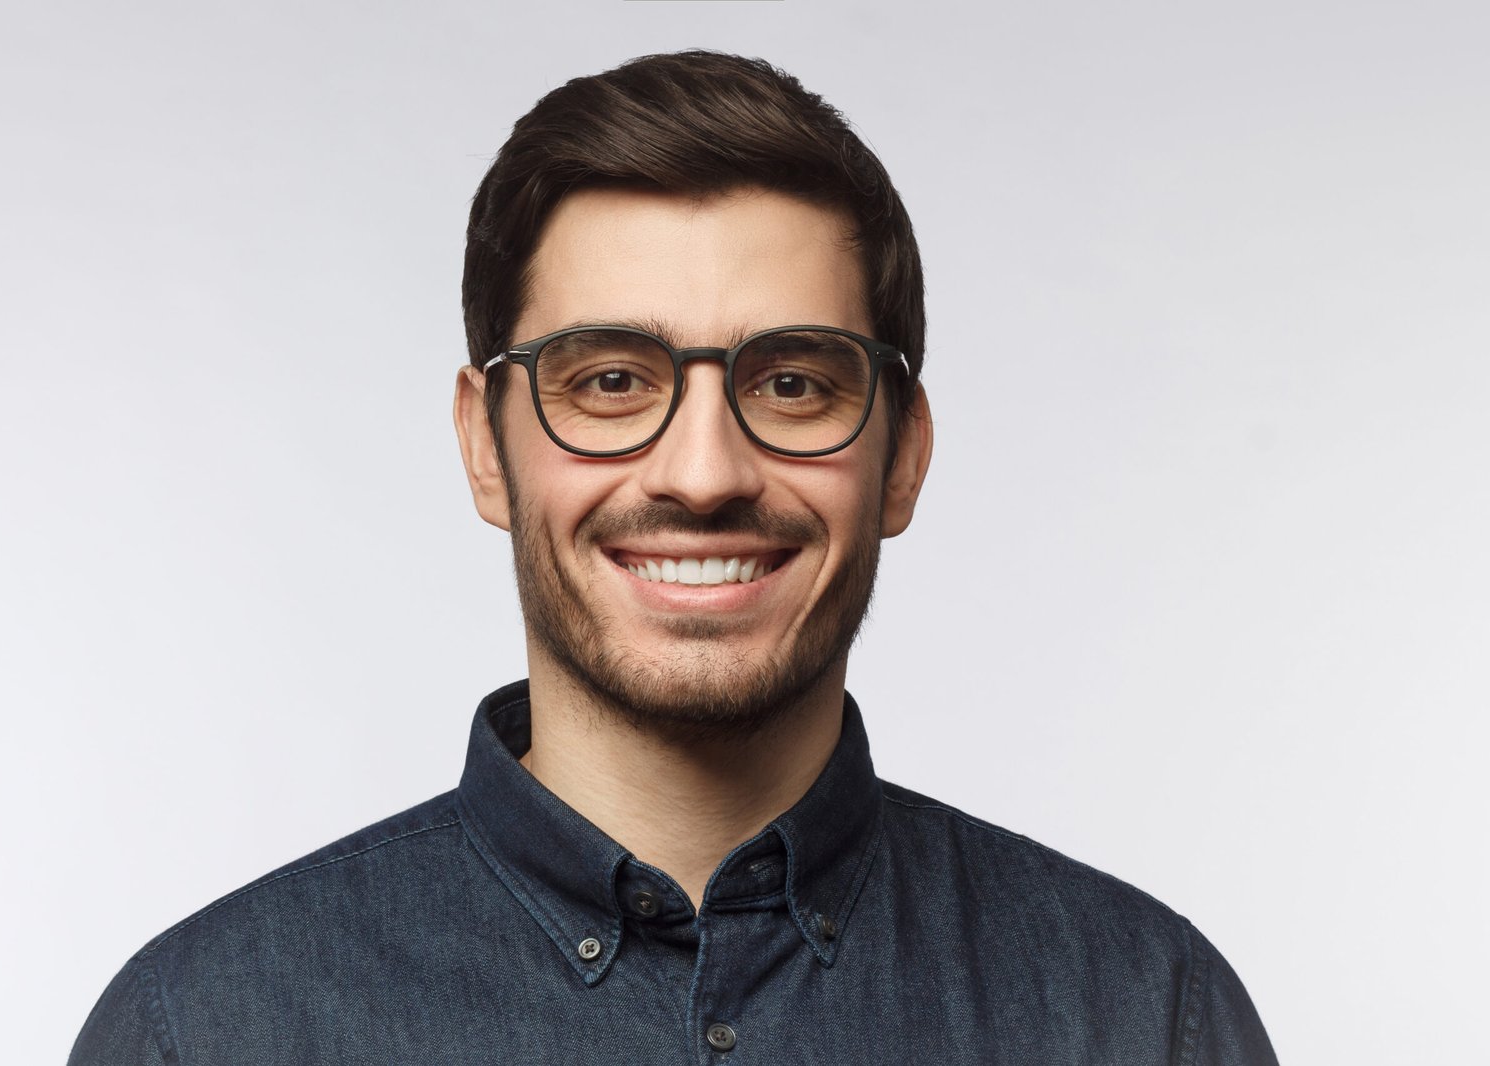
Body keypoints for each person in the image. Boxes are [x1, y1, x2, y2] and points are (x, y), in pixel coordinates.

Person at [70, 51, 1277, 1065]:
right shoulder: (207, 1031)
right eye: (609, 380)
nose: (702, 473)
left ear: (901, 456)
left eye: (793, 382)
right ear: (485, 448)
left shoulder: (1141, 1013)